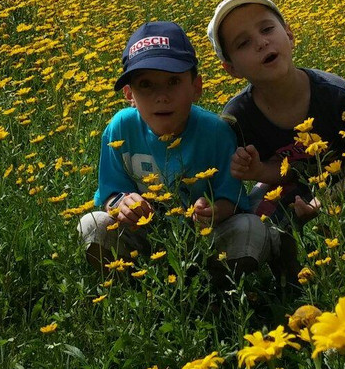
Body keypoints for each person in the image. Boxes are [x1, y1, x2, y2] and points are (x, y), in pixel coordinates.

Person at [77, 21, 283, 281]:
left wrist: (213, 211)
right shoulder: (120, 128)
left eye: (173, 81)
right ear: (129, 94)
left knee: (251, 227)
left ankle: (217, 285)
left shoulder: (217, 132)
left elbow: (231, 201)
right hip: (147, 238)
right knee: (92, 224)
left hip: (207, 240)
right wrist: (121, 204)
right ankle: (135, 285)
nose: (161, 96)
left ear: (196, 87)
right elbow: (110, 195)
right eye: (146, 84)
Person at [206, 0, 345, 234]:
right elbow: (284, 171)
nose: (261, 42)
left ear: (289, 35)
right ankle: (291, 257)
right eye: (243, 43)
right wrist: (259, 171)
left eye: (267, 29)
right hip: (297, 187)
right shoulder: (238, 117)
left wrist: (326, 200)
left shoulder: (336, 94)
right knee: (256, 223)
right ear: (231, 69)